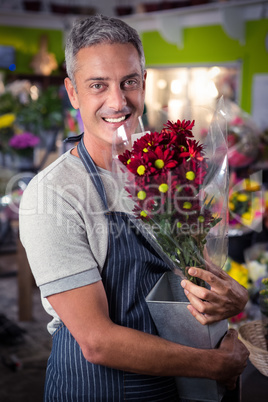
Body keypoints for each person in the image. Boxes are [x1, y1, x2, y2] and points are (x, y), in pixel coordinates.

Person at [19, 14, 249, 401]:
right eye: (98, 85)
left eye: (129, 81)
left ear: (144, 81)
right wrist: (213, 365)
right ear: (73, 92)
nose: (118, 101)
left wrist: (233, 299)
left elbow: (195, 271)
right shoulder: (54, 196)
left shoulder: (169, 166)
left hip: (178, 382)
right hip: (99, 387)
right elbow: (97, 341)